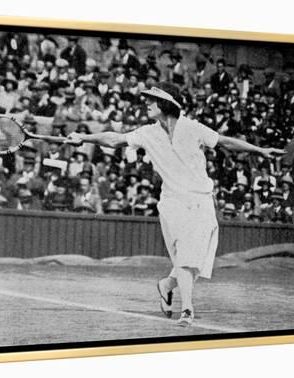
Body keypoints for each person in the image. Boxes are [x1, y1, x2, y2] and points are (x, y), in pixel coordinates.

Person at [67, 82, 283, 326]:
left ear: (165, 103)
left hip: (202, 200)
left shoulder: (193, 128)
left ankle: (167, 284)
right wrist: (84, 137)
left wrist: (260, 150)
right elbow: (115, 140)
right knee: (185, 256)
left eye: (151, 99)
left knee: (196, 261)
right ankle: (188, 310)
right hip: (173, 202)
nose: (146, 103)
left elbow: (225, 141)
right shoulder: (147, 133)